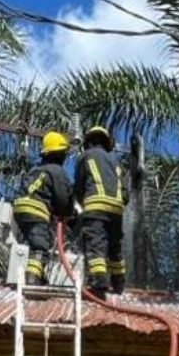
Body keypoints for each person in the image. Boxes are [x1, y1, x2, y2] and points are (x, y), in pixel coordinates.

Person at [73, 125, 128, 298]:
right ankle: (118, 282)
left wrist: (81, 205)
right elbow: (125, 193)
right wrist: (118, 204)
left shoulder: (85, 157)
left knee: (96, 244)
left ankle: (99, 284)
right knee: (114, 246)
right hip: (116, 209)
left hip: (95, 207)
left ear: (88, 142)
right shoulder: (116, 161)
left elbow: (79, 186)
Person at [13, 131, 74, 285]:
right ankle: (32, 278)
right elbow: (62, 198)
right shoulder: (57, 171)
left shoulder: (36, 170)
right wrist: (68, 212)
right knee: (40, 245)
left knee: (32, 241)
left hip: (20, 210)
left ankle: (38, 275)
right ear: (60, 155)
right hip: (36, 210)